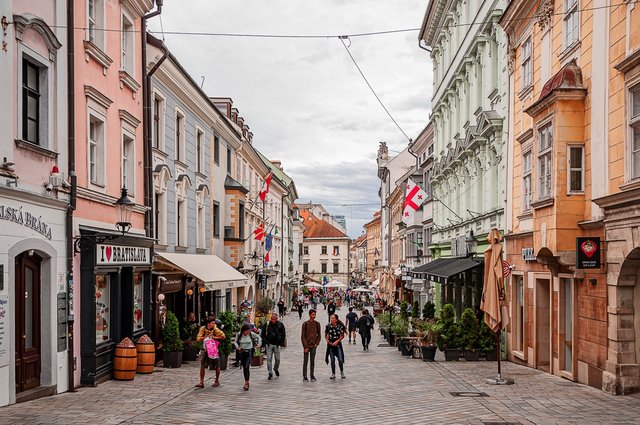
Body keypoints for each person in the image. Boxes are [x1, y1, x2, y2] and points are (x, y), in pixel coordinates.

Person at [194, 316, 226, 388]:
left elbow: (223, 336)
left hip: (214, 349)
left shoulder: (215, 329)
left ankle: (217, 381)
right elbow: (198, 338)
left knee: (217, 365)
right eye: (212, 323)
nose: (214, 324)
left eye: (214, 323)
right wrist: (206, 336)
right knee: (203, 366)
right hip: (206, 349)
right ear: (208, 324)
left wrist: (214, 337)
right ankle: (201, 382)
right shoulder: (203, 329)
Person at [236, 323, 261, 391]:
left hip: (249, 352)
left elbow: (259, 337)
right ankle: (247, 381)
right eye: (246, 331)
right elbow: (235, 342)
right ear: (243, 331)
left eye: (248, 331)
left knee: (247, 366)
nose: (248, 332)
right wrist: (237, 347)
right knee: (244, 367)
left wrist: (259, 344)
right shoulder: (239, 334)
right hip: (242, 352)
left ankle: (246, 383)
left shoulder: (251, 334)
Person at [261, 313, 286, 380]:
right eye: (272, 319)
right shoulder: (267, 324)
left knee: (278, 359)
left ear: (277, 319)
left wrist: (280, 342)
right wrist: (266, 342)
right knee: (269, 359)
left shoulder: (280, 324)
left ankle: (275, 369)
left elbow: (283, 334)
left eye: (274, 319)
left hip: (277, 345)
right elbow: (262, 334)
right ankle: (270, 373)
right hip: (269, 344)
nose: (273, 320)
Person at [301, 309, 321, 382]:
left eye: (315, 314)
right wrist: (305, 346)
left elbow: (319, 335)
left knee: (312, 361)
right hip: (307, 345)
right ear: (309, 315)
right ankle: (305, 376)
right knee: (305, 361)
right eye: (313, 314)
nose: (314, 316)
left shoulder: (317, 324)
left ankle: (312, 375)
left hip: (314, 346)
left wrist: (316, 343)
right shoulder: (305, 324)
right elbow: (303, 336)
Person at [325, 314, 346, 379]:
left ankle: (342, 372)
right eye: (331, 318)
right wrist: (328, 341)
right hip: (330, 345)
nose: (331, 319)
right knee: (332, 360)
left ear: (336, 320)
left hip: (338, 345)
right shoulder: (328, 326)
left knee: (340, 359)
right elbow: (326, 335)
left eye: (333, 318)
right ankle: (333, 373)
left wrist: (337, 341)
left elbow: (342, 336)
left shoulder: (339, 326)